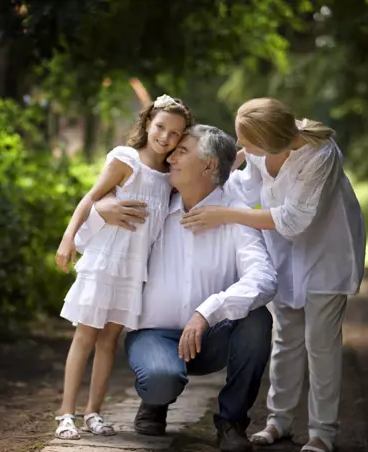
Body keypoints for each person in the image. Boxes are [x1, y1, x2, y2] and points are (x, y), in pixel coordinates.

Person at [76, 124, 278, 452]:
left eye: (182, 151)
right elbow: (87, 242)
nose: (171, 157)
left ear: (210, 164)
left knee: (257, 321)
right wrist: (101, 210)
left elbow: (265, 278)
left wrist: (207, 311)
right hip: (153, 334)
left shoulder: (233, 212)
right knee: (160, 381)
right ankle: (156, 401)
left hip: (210, 337)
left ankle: (231, 422)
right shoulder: (153, 203)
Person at [180, 98, 366, 452]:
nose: (242, 147)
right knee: (286, 340)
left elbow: (294, 220)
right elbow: (238, 185)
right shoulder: (263, 149)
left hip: (327, 253)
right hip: (285, 254)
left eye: (246, 141)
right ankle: (278, 422)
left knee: (321, 344)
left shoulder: (320, 155)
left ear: (270, 139)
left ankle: (322, 433)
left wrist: (225, 215)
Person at [53, 94, 192, 440]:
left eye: (175, 133)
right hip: (106, 260)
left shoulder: (169, 177)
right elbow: (90, 198)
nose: (165, 137)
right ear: (147, 123)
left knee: (109, 342)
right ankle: (65, 413)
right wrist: (68, 239)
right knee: (85, 336)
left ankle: (93, 413)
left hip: (134, 270)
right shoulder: (126, 160)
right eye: (160, 127)